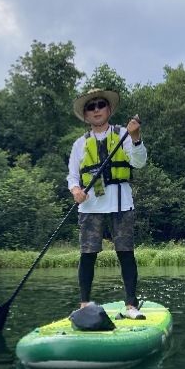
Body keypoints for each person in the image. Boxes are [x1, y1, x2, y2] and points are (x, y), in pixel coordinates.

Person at [67, 88, 147, 319]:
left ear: (109, 109)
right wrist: (75, 190)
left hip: (121, 204)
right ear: (85, 115)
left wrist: (136, 137)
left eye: (101, 105)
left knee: (125, 253)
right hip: (90, 207)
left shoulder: (124, 133)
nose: (96, 110)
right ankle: (84, 305)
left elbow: (139, 162)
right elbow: (72, 176)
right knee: (87, 254)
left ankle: (131, 305)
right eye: (90, 107)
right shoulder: (79, 144)